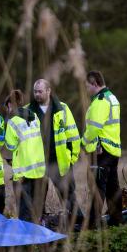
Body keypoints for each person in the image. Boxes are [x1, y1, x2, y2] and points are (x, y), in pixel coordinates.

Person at [26, 79, 83, 227]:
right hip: (37, 163)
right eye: (35, 91)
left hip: (59, 161)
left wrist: (72, 157)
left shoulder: (62, 108)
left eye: (40, 91)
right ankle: (38, 225)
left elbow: (73, 135)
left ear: (48, 91)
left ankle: (78, 224)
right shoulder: (27, 111)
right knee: (37, 197)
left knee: (68, 195)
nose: (37, 94)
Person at [82, 70, 123, 227]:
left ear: (94, 84)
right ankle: (116, 220)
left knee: (97, 187)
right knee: (113, 187)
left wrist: (83, 144)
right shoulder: (112, 98)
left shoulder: (100, 101)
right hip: (113, 150)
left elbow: (93, 129)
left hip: (101, 150)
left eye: (87, 86)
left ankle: (93, 224)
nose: (86, 90)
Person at [4, 89, 46, 223]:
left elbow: (10, 146)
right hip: (38, 168)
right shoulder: (34, 116)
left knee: (24, 210)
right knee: (35, 207)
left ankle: (25, 241)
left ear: (10, 105)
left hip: (23, 171)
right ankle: (37, 237)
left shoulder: (13, 121)